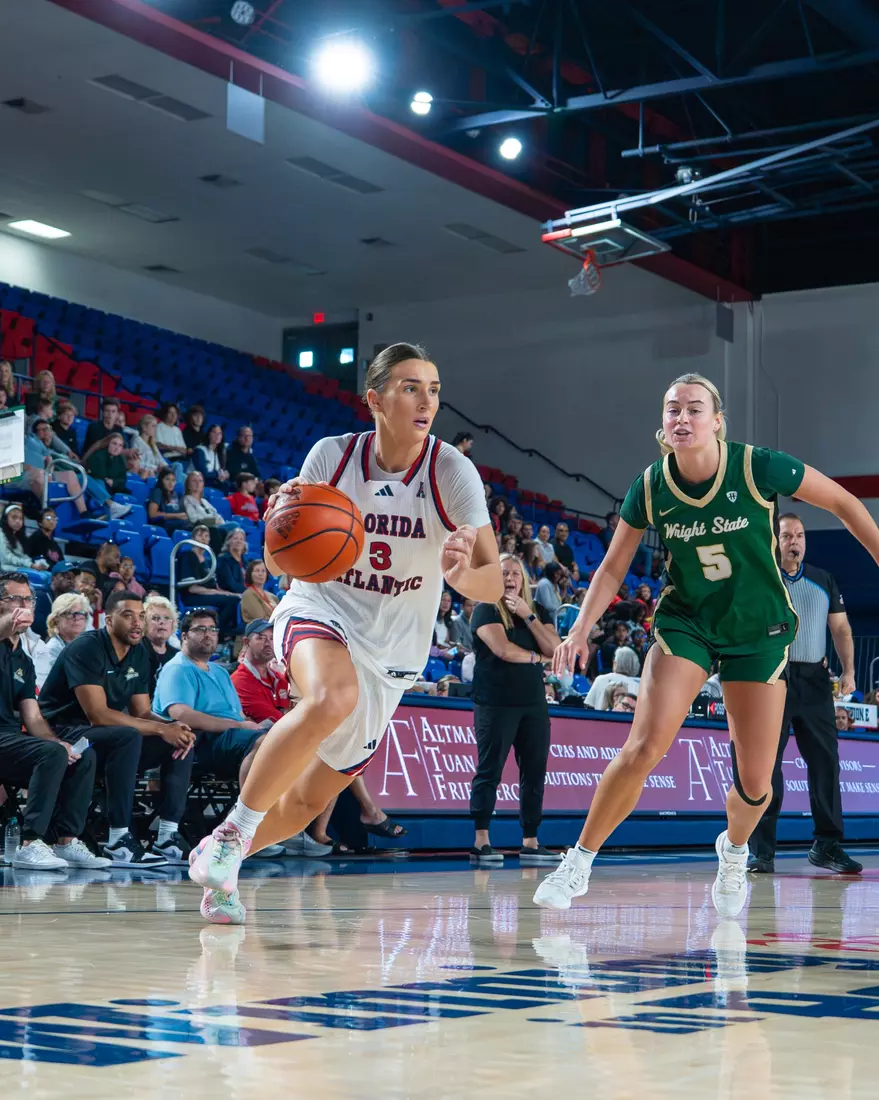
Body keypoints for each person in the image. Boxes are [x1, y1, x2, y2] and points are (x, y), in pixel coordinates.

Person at [533, 372, 879, 919]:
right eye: (673, 409)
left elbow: (841, 501)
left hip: (757, 630)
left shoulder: (757, 466)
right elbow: (613, 566)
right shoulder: (650, 486)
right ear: (663, 423)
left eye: (695, 409)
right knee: (645, 744)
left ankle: (735, 850)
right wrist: (578, 630)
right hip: (688, 622)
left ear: (717, 422)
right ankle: (577, 861)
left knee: (756, 782)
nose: (682, 418)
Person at [188, 341, 502, 925]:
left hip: (394, 651)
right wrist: (278, 530)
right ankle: (232, 833)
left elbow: (494, 584)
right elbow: (279, 565)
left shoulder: (452, 472)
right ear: (376, 399)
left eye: (434, 389)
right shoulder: (331, 458)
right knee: (331, 695)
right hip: (319, 610)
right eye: (410, 387)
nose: (426, 400)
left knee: (306, 800)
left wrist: (464, 577)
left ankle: (221, 858)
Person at [38, 589, 197, 866]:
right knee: (128, 736)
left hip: (106, 738)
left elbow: (143, 712)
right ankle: (118, 840)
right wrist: (160, 729)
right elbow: (97, 715)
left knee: (179, 739)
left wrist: (170, 726)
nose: (137, 623)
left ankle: (167, 837)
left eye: (141, 617)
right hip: (65, 733)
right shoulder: (87, 647)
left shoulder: (138, 653)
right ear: (109, 621)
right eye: (128, 616)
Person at [748, 513, 863, 875]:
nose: (794, 542)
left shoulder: (822, 579)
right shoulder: (762, 577)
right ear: (776, 541)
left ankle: (827, 844)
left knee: (826, 761)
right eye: (787, 536)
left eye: (799, 536)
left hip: (814, 679)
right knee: (767, 765)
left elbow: (841, 628)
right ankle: (761, 851)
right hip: (772, 675)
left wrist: (849, 670)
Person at [0, 572, 110, 870]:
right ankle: (29, 842)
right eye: (15, 598)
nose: (24, 604)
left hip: (11, 741)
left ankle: (65, 841)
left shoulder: (22, 658)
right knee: (53, 753)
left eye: (28, 599)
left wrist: (59, 742)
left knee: (81, 755)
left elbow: (33, 716)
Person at [468, 553, 560, 864]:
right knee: (489, 769)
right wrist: (537, 659)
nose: (510, 578)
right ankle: (481, 840)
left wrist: (528, 615)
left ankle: (531, 841)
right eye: (504, 573)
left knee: (534, 772)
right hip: (495, 701)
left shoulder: (538, 610)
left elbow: (555, 648)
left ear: (524, 579)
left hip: (533, 704)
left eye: (515, 574)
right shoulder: (485, 609)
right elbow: (504, 650)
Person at [153, 609, 267, 789]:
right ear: (184, 636)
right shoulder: (178, 668)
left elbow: (238, 714)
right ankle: (246, 814)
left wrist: (250, 724)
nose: (208, 635)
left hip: (232, 736)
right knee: (267, 744)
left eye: (213, 630)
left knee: (297, 740)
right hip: (204, 741)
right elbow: (181, 714)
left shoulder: (220, 671)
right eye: (200, 629)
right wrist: (239, 725)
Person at [176, 524, 242, 637]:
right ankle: (219, 633)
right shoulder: (188, 556)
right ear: (193, 537)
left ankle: (228, 633)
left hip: (206, 594)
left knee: (236, 598)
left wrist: (229, 593)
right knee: (231, 601)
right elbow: (192, 588)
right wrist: (218, 593)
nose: (203, 538)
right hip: (192, 596)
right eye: (200, 535)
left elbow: (215, 587)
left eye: (206, 536)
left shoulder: (208, 560)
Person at [231, 619, 290, 724]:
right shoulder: (240, 682)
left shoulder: (279, 678)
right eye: (260, 638)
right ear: (246, 642)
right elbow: (279, 722)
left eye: (272, 638)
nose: (268, 643)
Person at [32, 590, 91, 690]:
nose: (76, 618)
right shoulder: (49, 650)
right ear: (55, 620)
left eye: (80, 613)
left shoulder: (88, 646)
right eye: (69, 613)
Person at [182, 470, 236, 552]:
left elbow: (218, 516)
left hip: (215, 525)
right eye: (194, 481)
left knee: (235, 526)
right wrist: (214, 521)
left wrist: (217, 521)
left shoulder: (204, 501)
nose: (197, 483)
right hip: (201, 527)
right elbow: (194, 519)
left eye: (200, 481)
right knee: (225, 528)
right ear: (188, 484)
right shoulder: (186, 499)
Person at [142, 594, 179, 694]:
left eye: (167, 618)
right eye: (155, 618)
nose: (162, 622)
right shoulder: (135, 650)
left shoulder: (178, 656)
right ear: (144, 623)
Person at [33, 560, 78, 639]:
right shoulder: (41, 596)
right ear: (53, 578)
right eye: (66, 576)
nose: (70, 580)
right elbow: (39, 629)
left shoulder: (71, 599)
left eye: (73, 577)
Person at [0, 504, 46, 572]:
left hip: (17, 569)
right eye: (14, 517)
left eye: (21, 518)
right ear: (5, 519)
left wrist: (33, 563)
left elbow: (22, 556)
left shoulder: (16, 537)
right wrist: (30, 564)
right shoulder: (1, 534)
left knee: (47, 575)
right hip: (5, 571)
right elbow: (6, 558)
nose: (18, 521)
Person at [148, 466, 189, 533]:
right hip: (163, 526)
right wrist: (176, 516)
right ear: (161, 480)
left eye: (173, 480)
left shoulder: (175, 494)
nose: (171, 483)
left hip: (176, 524)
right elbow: (152, 514)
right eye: (167, 479)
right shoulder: (157, 492)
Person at [85, 432, 128, 497]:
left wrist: (114, 483)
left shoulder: (121, 459)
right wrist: (109, 480)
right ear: (108, 444)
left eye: (120, 445)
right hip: (98, 487)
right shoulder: (99, 455)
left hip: (114, 489)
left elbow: (123, 479)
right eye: (114, 444)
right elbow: (100, 475)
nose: (117, 448)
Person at [241, 559, 279, 624]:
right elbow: (260, 618)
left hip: (275, 625)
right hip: (260, 630)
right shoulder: (248, 594)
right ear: (250, 574)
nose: (260, 574)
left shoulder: (272, 596)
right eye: (257, 571)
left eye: (263, 571)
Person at [193, 424, 230, 490]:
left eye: (219, 433)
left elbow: (220, 471)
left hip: (213, 482)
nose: (217, 436)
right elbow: (203, 473)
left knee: (226, 485)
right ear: (209, 434)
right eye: (214, 432)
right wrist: (219, 474)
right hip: (197, 481)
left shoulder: (219, 453)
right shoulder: (200, 450)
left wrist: (225, 475)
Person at [217, 527, 248, 596]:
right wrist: (250, 592)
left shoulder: (245, 562)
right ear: (229, 541)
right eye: (235, 538)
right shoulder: (223, 560)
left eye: (241, 539)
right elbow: (230, 585)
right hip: (231, 595)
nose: (238, 541)